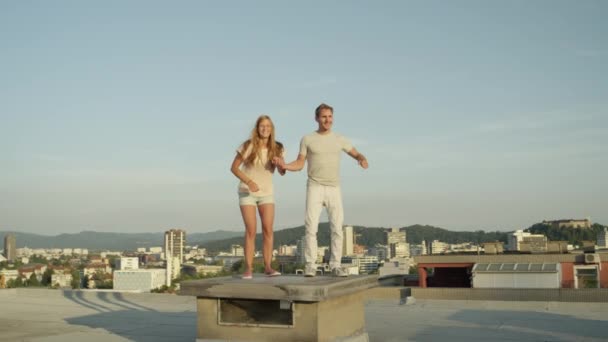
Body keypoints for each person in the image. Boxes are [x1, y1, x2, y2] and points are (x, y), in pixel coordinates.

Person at [274, 103, 368, 277]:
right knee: (311, 227)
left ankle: (335, 265)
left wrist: (362, 159)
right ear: (317, 118)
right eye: (324, 116)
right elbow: (300, 163)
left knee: (337, 228)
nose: (327, 120)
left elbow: (355, 153)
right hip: (315, 186)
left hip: (334, 188)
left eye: (330, 116)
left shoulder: (340, 139)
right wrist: (285, 166)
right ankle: (310, 265)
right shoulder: (307, 139)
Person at [230, 115, 285, 279]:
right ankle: (248, 268)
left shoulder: (278, 147)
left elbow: (282, 172)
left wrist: (280, 165)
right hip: (247, 192)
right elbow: (233, 168)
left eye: (268, 126)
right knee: (251, 230)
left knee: (268, 229)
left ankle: (268, 267)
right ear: (257, 128)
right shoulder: (248, 146)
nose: (265, 129)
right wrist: (249, 181)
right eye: (262, 126)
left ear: (272, 129)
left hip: (267, 193)